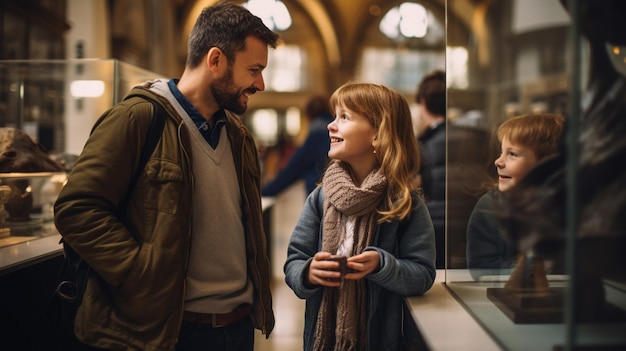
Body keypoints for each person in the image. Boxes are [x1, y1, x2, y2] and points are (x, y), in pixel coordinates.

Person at [53, 3, 279, 350]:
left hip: (238, 328)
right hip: (171, 332)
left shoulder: (238, 134)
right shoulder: (137, 118)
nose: (260, 83)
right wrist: (142, 272)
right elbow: (77, 208)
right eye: (253, 70)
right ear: (215, 60)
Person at [284, 82, 436, 351]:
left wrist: (382, 265)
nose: (331, 125)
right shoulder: (320, 198)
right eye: (334, 116)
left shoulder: (405, 205)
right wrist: (309, 272)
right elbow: (294, 261)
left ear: (378, 134)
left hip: (379, 342)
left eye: (345, 117)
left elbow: (422, 274)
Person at [466, 113, 564, 280]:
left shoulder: (571, 204)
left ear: (546, 164)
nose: (498, 161)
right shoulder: (491, 206)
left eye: (512, 154)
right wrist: (541, 267)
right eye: (501, 152)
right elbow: (483, 268)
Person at [262, 95, 333, 197]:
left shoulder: (317, 135)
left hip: (321, 199)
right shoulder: (336, 131)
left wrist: (264, 193)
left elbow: (292, 170)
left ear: (309, 115)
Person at [415, 70, 447, 269]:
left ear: (423, 103)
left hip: (433, 227)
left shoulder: (422, 144)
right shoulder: (478, 139)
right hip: (472, 224)